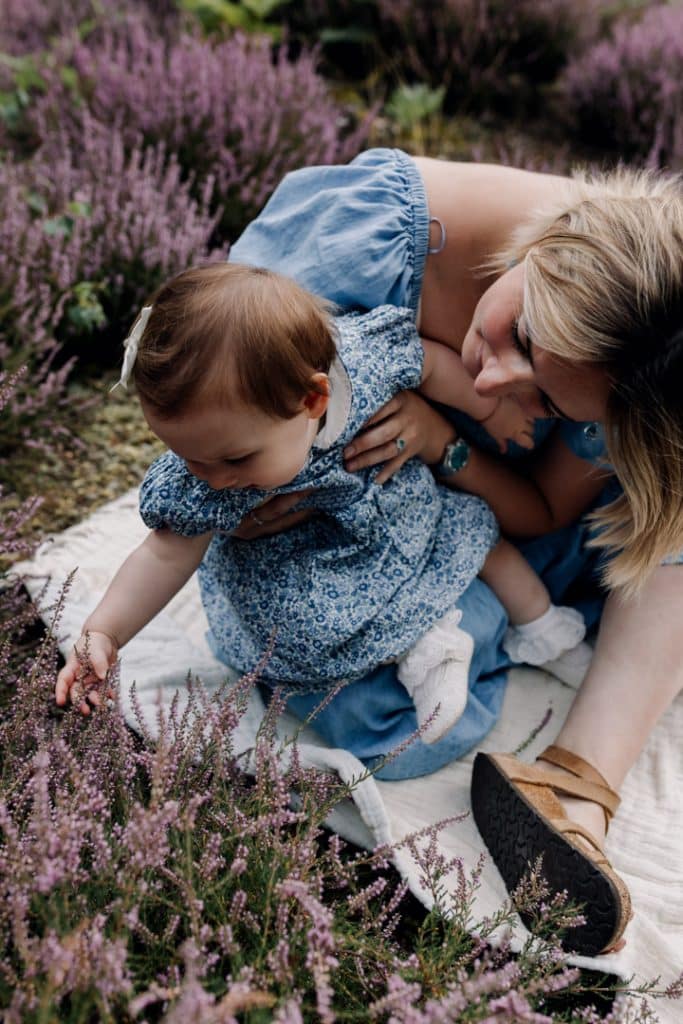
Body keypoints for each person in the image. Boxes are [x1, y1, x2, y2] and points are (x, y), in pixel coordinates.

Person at [224, 148, 683, 957]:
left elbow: (539, 508)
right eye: (524, 336)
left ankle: (575, 787)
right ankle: (553, 641)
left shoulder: (635, 358)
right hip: (359, 522)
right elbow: (220, 435)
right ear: (548, 253)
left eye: (544, 397)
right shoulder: (365, 232)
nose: (494, 375)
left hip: (476, 508)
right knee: (368, 704)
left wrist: (445, 438)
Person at [55, 262, 588, 749]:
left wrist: (486, 409)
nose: (212, 478)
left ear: (314, 400)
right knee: (300, 629)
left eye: (235, 459)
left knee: (479, 536)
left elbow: (423, 363)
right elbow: (165, 555)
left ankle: (545, 631)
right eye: (186, 456)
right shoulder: (209, 466)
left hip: (387, 506)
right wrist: (104, 631)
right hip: (302, 567)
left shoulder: (356, 364)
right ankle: (428, 645)